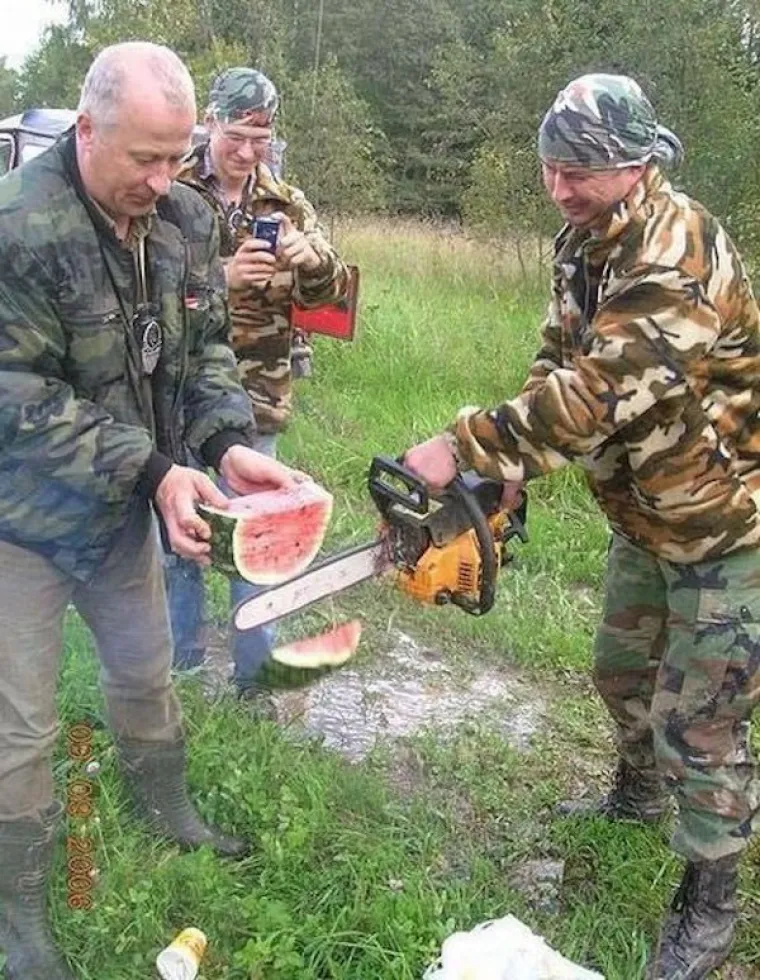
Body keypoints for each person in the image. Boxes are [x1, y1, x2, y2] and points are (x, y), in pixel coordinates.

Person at [404, 73, 760, 980]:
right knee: (620, 669)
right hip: (646, 513)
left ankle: (709, 905)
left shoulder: (676, 252)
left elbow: (598, 397)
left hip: (726, 521)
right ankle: (638, 799)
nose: (561, 189)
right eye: (551, 169)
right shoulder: (587, 240)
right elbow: (558, 358)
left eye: (582, 172)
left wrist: (464, 445)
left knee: (702, 721)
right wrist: (504, 471)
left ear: (638, 165)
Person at [0, 42, 302, 979]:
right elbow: (18, 400)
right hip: (20, 524)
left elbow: (204, 349)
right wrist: (155, 469)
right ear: (88, 131)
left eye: (179, 157)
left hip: (124, 509)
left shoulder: (182, 218)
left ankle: (167, 808)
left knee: (144, 673)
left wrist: (225, 444)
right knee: (21, 724)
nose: (165, 180)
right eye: (144, 158)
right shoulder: (19, 229)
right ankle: (19, 916)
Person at [164, 67, 349, 700]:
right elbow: (145, 284)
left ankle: (255, 683)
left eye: (260, 138)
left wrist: (311, 258)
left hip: (258, 399)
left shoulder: (286, 202)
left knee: (260, 540)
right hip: (179, 395)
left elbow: (330, 293)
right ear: (211, 122)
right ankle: (180, 674)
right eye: (237, 135)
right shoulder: (173, 187)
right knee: (180, 542)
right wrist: (220, 276)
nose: (247, 151)